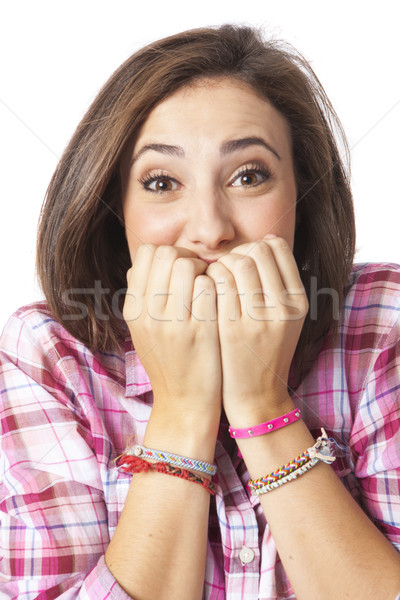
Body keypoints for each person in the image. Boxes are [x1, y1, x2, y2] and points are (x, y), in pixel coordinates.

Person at [0, 24, 399, 600]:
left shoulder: (384, 322)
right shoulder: (48, 355)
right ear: (118, 213)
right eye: (162, 182)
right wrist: (183, 412)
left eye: (248, 176)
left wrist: (263, 405)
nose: (211, 230)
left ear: (302, 195)